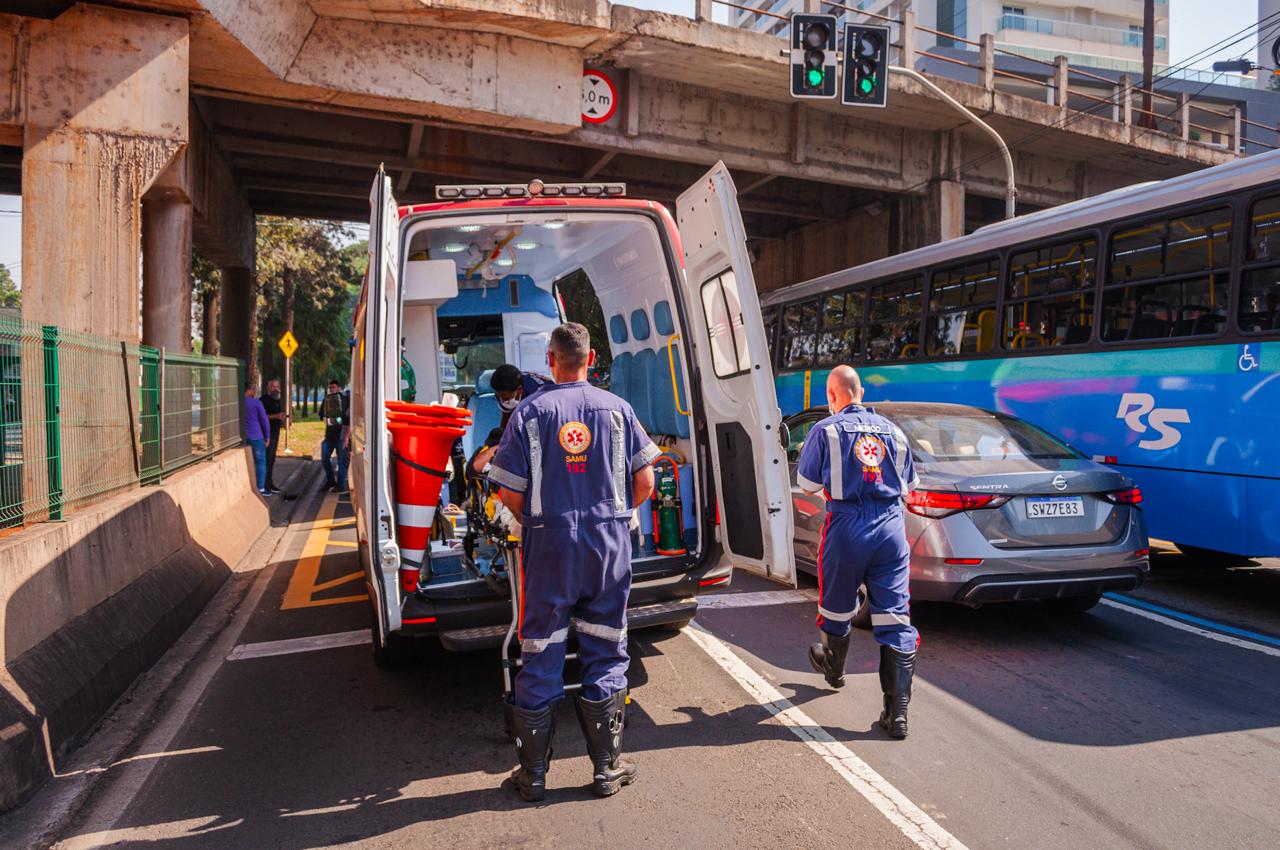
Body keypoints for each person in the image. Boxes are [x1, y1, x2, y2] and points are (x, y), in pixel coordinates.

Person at [489, 323, 657, 802]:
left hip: (550, 543)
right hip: (609, 545)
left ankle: (534, 775)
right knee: (606, 646)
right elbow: (644, 481)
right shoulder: (619, 410)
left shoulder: (529, 412)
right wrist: (616, 516)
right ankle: (607, 769)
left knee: (541, 651)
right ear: (591, 356)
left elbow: (507, 490)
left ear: (550, 359)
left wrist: (544, 520)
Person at [795, 365, 920, 740]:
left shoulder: (826, 430)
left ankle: (834, 669)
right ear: (861, 391)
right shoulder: (895, 433)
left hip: (847, 526)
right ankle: (896, 714)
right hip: (891, 529)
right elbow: (910, 486)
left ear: (832, 397)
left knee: (835, 605)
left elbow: (807, 484)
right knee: (895, 618)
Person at [490, 363, 552, 430]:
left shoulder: (536, 397)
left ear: (519, 390)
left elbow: (535, 433)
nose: (504, 402)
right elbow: (506, 418)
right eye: (500, 398)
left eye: (506, 399)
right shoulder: (505, 388)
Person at [319, 379, 350, 493]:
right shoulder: (326, 400)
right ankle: (330, 480)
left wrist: (347, 437)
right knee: (324, 459)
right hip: (329, 436)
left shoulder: (345, 400)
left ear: (339, 388)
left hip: (342, 436)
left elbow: (349, 420)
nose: (332, 389)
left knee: (341, 461)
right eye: (330, 388)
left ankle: (340, 484)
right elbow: (322, 416)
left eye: (334, 387)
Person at [243, 383, 272, 497]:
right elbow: (264, 421)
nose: (255, 392)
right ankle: (261, 488)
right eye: (254, 390)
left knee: (246, 462)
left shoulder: (237, 402)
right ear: (249, 390)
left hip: (242, 437)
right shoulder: (256, 402)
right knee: (260, 462)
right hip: (256, 436)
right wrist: (267, 436)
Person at [262, 379, 287, 492]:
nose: (276, 389)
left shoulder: (277, 399)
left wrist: (281, 417)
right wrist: (276, 416)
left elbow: (276, 415)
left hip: (276, 433)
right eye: (273, 386)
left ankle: (270, 483)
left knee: (272, 460)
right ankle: (265, 485)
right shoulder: (263, 400)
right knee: (267, 459)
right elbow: (262, 417)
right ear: (268, 388)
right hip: (267, 434)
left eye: (277, 386)